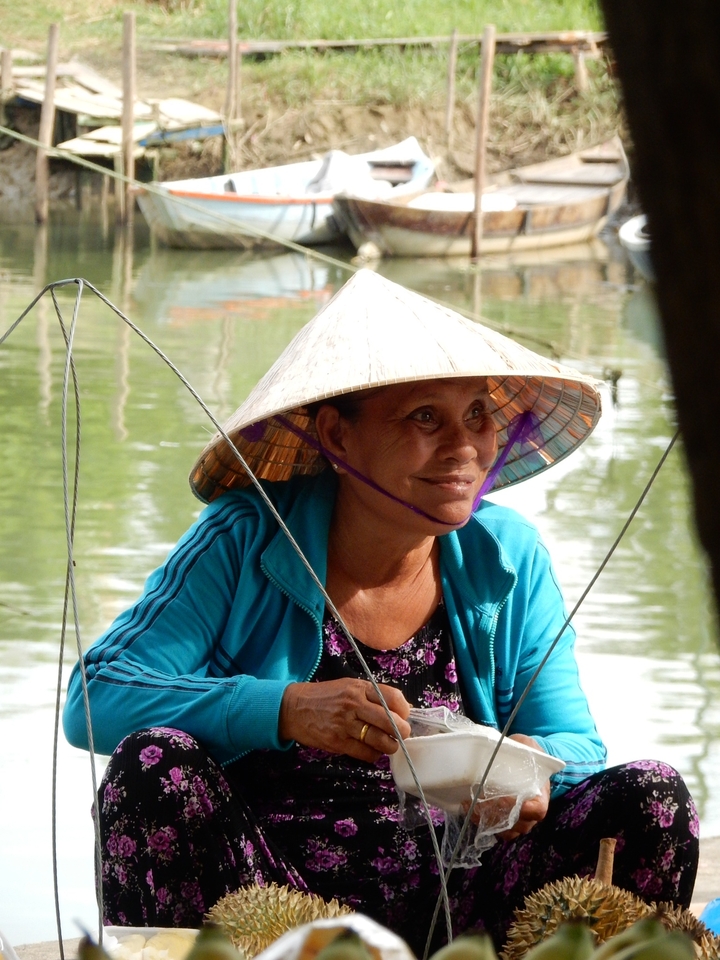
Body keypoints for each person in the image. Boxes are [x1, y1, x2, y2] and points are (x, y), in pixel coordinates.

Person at [63, 270, 698, 952]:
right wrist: (288, 709)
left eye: (478, 414)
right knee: (153, 763)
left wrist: (519, 766)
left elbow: (577, 744)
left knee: (650, 794)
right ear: (336, 435)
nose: (464, 447)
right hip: (272, 908)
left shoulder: (507, 553)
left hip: (467, 900)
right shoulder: (245, 539)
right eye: (425, 416)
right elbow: (95, 697)